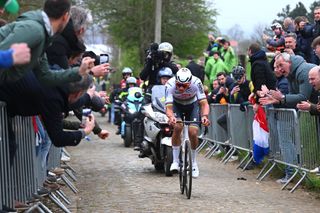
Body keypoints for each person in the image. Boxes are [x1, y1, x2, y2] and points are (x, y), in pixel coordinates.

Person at [0, 0, 100, 85]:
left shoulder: (44, 35)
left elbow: (45, 76)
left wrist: (79, 72)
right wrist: (9, 57)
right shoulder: (35, 31)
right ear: (65, 17)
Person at [0, 72, 95, 147]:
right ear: (78, 93)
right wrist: (85, 131)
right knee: (9, 146)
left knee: (10, 145)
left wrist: (88, 96)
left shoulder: (56, 81)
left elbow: (67, 103)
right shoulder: (53, 99)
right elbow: (59, 139)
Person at [165, 68, 210, 178]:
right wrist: (171, 117)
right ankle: (175, 161)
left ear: (189, 83)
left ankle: (194, 163)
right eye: (178, 85)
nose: (180, 88)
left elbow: (204, 103)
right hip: (177, 105)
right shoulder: (169, 84)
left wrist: (204, 116)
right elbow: (169, 107)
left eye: (184, 86)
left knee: (193, 132)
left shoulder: (197, 82)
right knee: (177, 126)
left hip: (192, 105)